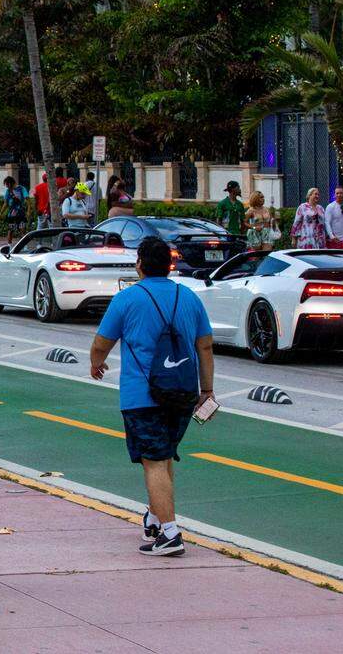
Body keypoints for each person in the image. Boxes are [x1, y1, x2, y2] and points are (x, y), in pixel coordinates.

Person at [89, 237, 214, 557]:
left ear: (140, 265)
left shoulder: (127, 299)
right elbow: (205, 346)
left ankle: (170, 533)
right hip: (184, 393)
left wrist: (96, 363)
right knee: (164, 455)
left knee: (154, 461)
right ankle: (155, 519)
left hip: (141, 396)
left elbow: (102, 343)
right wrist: (207, 390)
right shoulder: (188, 297)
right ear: (170, 266)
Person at [1, 176, 28, 244]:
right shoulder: (8, 191)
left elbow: (28, 200)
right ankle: (9, 246)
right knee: (11, 230)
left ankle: (24, 245)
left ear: (10, 183)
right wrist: (1, 213)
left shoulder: (21, 189)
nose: (6, 186)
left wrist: (28, 211)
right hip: (12, 214)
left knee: (22, 229)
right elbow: (6, 203)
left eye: (7, 184)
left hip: (21, 212)